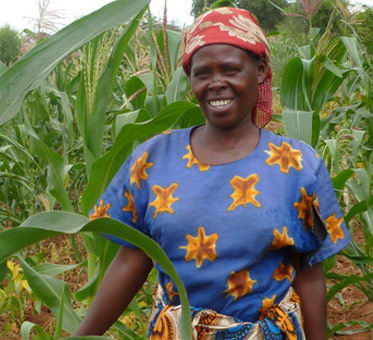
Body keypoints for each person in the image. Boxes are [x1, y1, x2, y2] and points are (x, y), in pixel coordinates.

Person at [74, 7, 350, 340]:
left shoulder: (297, 165)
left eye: (231, 69)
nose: (216, 83)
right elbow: (131, 259)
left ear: (260, 71)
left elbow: (310, 274)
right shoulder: (153, 159)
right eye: (202, 73)